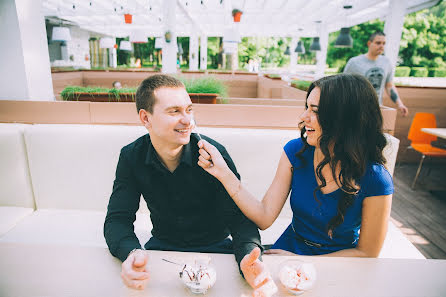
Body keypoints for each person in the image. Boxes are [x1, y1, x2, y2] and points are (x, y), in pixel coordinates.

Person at [197, 74, 393, 271]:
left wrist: (304, 262)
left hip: (338, 264)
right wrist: (223, 173)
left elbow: (367, 252)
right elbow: (264, 217)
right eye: (306, 107)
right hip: (288, 251)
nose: (303, 117)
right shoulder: (296, 152)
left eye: (314, 110)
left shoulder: (376, 179)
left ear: (344, 119)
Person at [103, 74, 265, 292]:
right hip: (162, 247)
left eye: (189, 110)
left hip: (216, 250)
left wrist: (248, 256)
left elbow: (241, 221)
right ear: (145, 118)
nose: (188, 120)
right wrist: (132, 253)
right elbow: (117, 220)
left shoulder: (214, 154)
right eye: (174, 111)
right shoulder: (131, 156)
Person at [344, 31, 409, 117]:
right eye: (378, 43)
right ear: (369, 43)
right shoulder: (354, 62)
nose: (381, 46)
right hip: (356, 110)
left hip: (376, 109)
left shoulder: (386, 62)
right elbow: (343, 85)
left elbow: (389, 86)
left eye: (384, 43)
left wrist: (400, 104)